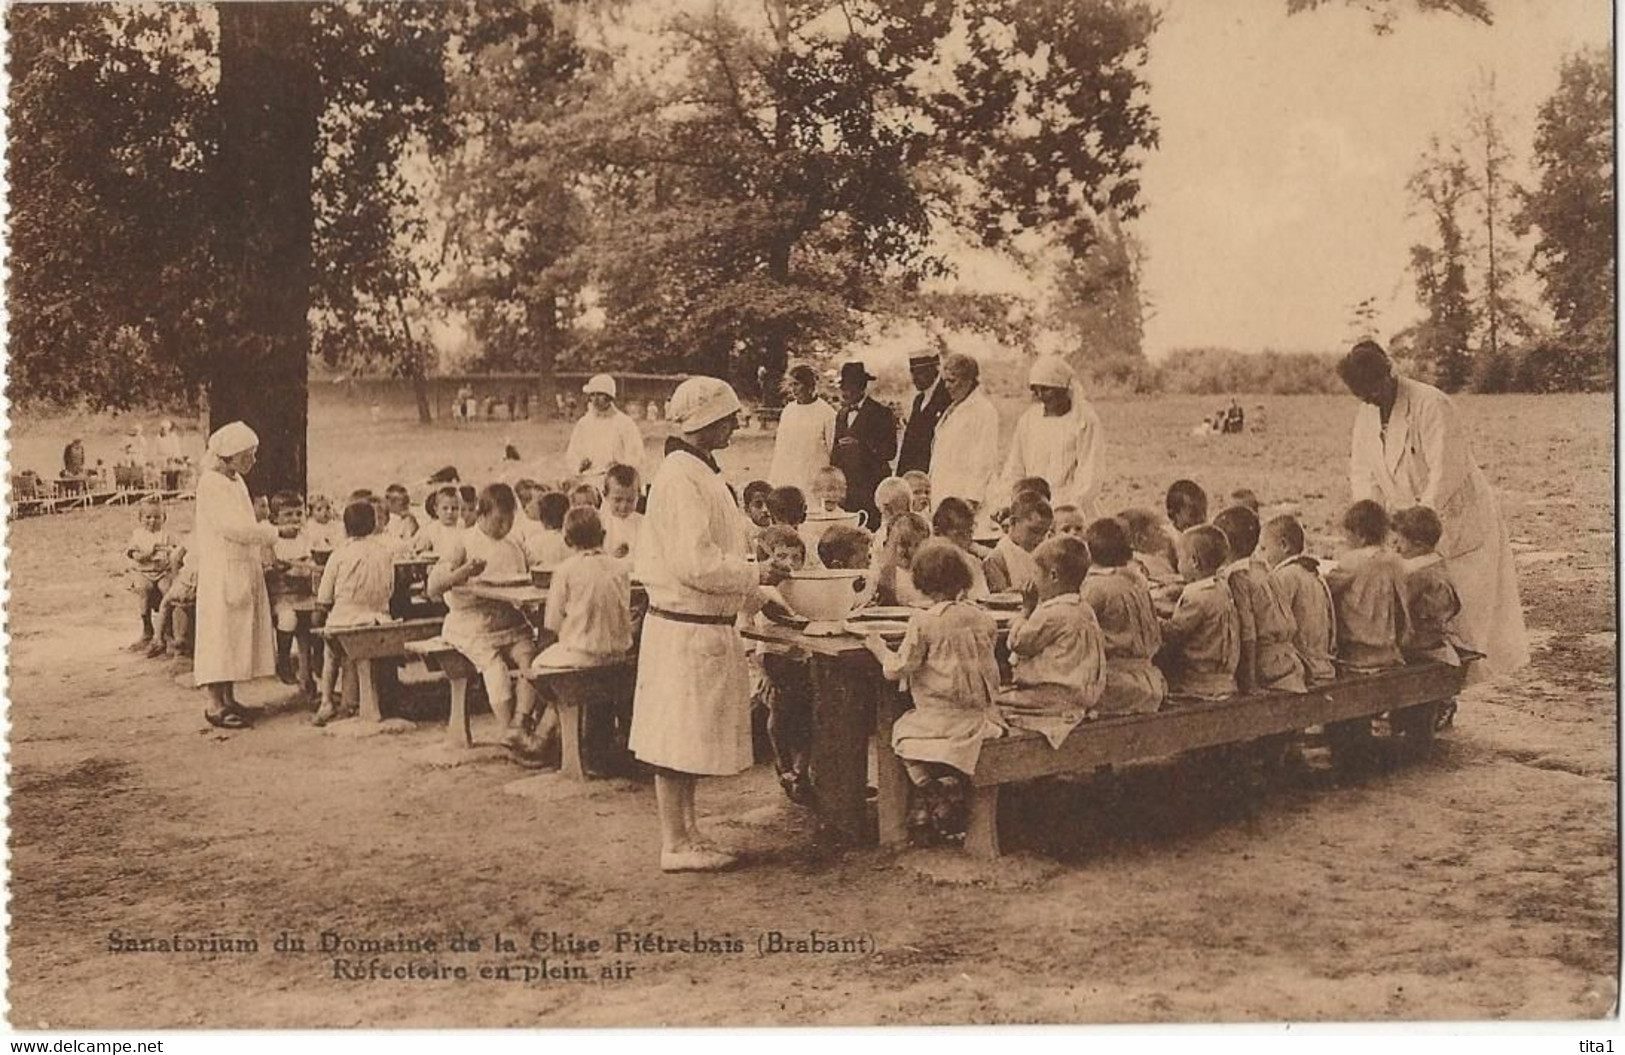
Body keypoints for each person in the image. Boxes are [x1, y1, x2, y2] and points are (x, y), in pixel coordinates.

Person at [630, 376, 784, 873]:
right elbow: (694, 563)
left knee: (688, 738)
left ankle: (689, 832)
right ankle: (674, 842)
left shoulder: (701, 472)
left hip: (701, 628)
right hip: (683, 630)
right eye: (730, 417)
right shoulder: (679, 477)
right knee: (674, 739)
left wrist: (760, 590)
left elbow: (723, 550)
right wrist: (756, 574)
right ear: (705, 421)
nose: (737, 425)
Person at [1339, 340, 1528, 679]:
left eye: (1374, 389)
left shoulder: (1431, 404)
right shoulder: (1367, 413)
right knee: (1415, 608)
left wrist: (1417, 523)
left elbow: (1446, 471)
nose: (1371, 399)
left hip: (1448, 517)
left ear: (1388, 374)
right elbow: (1363, 472)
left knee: (1455, 610)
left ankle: (1445, 689)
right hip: (1406, 523)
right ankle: (1427, 688)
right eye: (1363, 394)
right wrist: (1371, 526)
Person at [863, 540, 1006, 843]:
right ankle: (946, 789)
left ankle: (929, 786)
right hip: (981, 718)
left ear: (921, 584)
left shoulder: (924, 622)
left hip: (941, 719)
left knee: (898, 732)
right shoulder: (983, 618)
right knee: (919, 726)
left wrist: (878, 647)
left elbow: (897, 668)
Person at [428, 483, 553, 762]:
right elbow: (433, 587)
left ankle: (519, 724)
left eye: (509, 521)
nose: (504, 527)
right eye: (499, 521)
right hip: (470, 621)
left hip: (507, 616)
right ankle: (507, 729)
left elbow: (535, 569)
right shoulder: (463, 542)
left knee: (530, 658)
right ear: (482, 515)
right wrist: (465, 571)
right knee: (494, 666)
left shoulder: (514, 543)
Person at [193, 422, 285, 729]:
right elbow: (233, 527)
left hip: (241, 564)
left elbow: (246, 521)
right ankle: (214, 704)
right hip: (222, 568)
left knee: (234, 636)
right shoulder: (211, 484)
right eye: (248, 455)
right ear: (229, 456)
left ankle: (230, 698)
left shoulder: (235, 481)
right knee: (219, 635)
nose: (253, 461)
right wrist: (273, 532)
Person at [997, 535, 1107, 748]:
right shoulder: (1083, 608)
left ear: (1053, 575)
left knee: (993, 702)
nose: (1033, 579)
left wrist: (1026, 610)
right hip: (1082, 694)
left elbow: (1017, 643)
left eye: (1036, 573)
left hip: (1053, 697)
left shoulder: (1051, 612)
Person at [313, 500, 395, 726]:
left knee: (331, 653)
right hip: (378, 621)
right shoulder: (385, 553)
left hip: (344, 622)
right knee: (360, 643)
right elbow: (390, 589)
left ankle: (326, 701)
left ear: (345, 528)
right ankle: (361, 699)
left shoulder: (339, 554)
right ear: (373, 525)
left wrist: (324, 609)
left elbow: (324, 597)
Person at [1213, 505, 1306, 694]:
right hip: (1290, 662)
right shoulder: (1264, 569)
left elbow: (1248, 634)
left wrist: (1250, 683)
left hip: (1267, 667)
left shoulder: (1238, 577)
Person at [999, 355, 1106, 519]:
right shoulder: (1029, 420)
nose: (1041, 395)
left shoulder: (1084, 421)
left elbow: (1090, 473)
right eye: (1036, 390)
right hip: (1032, 509)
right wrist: (1012, 501)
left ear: (1064, 388)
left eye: (1047, 389)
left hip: (1071, 510)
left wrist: (1067, 509)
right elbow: (1015, 466)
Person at [1081, 517, 1167, 715]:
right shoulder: (1138, 581)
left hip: (1117, 685)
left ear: (1088, 552)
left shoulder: (1096, 587)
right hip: (1151, 680)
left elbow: (1074, 626)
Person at [534, 507, 633, 669]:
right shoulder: (620, 568)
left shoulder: (565, 570)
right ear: (603, 535)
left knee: (534, 666)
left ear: (567, 540)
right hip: (618, 653)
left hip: (581, 654)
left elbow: (552, 623)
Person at [1324, 499, 1408, 672]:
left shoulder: (1354, 560)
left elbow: (1326, 589)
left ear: (1361, 537)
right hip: (1388, 649)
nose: (1346, 543)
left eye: (1348, 537)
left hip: (1358, 653)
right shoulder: (1395, 561)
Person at [1158, 525, 1239, 699]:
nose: (1178, 564)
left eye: (1180, 559)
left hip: (1199, 681)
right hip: (1224, 677)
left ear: (1194, 562)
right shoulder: (1221, 586)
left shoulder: (1196, 597)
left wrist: (1152, 616)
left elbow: (1174, 632)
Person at [1259, 514, 1338, 686]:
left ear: (1284, 546)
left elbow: (1273, 625)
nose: (1261, 555)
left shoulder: (1284, 576)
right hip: (1323, 664)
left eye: (1264, 548)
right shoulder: (1311, 572)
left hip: (1303, 669)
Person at [929, 353, 1001, 516]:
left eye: (952, 381)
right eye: (945, 380)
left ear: (969, 380)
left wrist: (971, 499)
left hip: (966, 500)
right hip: (944, 493)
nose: (946, 386)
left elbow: (985, 459)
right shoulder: (953, 408)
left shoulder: (984, 411)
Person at [1391, 505, 1464, 666]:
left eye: (1401, 542)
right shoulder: (1439, 563)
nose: (1396, 547)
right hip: (1437, 639)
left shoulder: (1417, 576)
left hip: (1419, 647)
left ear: (1418, 545)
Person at [828, 361, 898, 526]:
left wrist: (861, 446)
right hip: (848, 489)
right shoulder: (841, 415)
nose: (845, 392)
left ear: (862, 387)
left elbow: (890, 451)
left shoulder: (881, 413)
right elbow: (835, 453)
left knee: (871, 528)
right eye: (843, 387)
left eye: (850, 387)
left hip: (871, 485)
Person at [767, 363, 837, 498]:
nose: (793, 389)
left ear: (810, 385)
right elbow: (780, 451)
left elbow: (832, 452)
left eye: (797, 384)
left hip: (813, 481)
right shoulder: (788, 411)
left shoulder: (827, 414)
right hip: (787, 477)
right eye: (791, 385)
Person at [266, 492, 314, 686]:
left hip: (304, 592)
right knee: (288, 618)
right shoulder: (272, 540)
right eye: (288, 515)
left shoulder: (305, 537)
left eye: (298, 514)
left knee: (316, 618)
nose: (294, 519)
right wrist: (283, 568)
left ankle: (310, 670)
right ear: (275, 518)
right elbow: (269, 567)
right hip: (282, 594)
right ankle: (284, 660)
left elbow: (312, 559)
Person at [564, 374, 645, 489]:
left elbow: (636, 456)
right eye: (592, 395)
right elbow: (572, 454)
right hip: (588, 480)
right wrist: (579, 464)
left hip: (616, 482)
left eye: (600, 394)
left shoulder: (624, 423)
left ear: (609, 397)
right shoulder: (584, 423)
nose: (595, 399)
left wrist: (620, 466)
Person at [125, 497, 180, 651]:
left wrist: (170, 553)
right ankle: (147, 629)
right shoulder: (138, 535)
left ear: (164, 518)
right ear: (140, 518)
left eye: (157, 517)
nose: (152, 521)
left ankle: (167, 631)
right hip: (144, 572)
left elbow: (176, 552)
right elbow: (134, 555)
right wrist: (149, 552)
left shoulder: (167, 535)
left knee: (167, 590)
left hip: (162, 572)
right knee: (144, 589)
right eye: (148, 517)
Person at [895, 351, 952, 477]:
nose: (914, 378)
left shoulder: (947, 397)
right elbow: (909, 443)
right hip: (913, 474)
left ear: (934, 370)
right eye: (912, 372)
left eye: (920, 372)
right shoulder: (919, 400)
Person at [983, 492, 1052, 594]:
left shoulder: (1045, 553)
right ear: (1013, 522)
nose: (1039, 538)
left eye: (1044, 533)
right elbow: (999, 599)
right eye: (1034, 531)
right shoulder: (996, 560)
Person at [931, 496, 990, 600]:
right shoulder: (926, 566)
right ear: (937, 533)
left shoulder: (972, 563)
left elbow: (982, 598)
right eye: (959, 535)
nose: (966, 542)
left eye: (970, 533)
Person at [602, 463, 644, 562]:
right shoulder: (600, 524)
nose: (624, 506)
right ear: (605, 495)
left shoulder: (644, 523)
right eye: (617, 500)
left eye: (630, 500)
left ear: (638, 496)